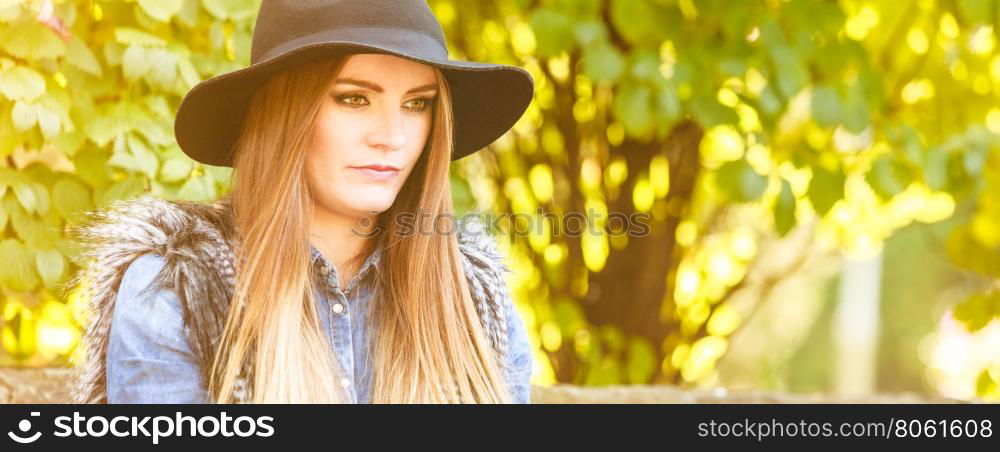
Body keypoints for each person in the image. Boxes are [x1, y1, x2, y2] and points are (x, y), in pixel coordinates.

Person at [66, 0, 535, 404]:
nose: (393, 137)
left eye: (417, 104)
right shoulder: (179, 290)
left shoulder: (473, 299)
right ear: (284, 114)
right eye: (354, 99)